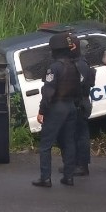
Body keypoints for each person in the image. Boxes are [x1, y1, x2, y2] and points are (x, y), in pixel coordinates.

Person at [31, 32, 80, 187]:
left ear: (54, 50)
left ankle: (45, 177)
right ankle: (69, 176)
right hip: (71, 106)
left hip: (57, 107)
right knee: (69, 142)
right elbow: (79, 89)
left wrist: (42, 111)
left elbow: (48, 92)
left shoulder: (54, 68)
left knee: (46, 144)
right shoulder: (74, 66)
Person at [59, 37, 97, 176]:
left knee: (80, 135)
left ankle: (82, 165)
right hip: (73, 102)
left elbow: (79, 85)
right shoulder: (73, 62)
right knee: (71, 135)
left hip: (79, 103)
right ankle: (73, 163)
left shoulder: (80, 63)